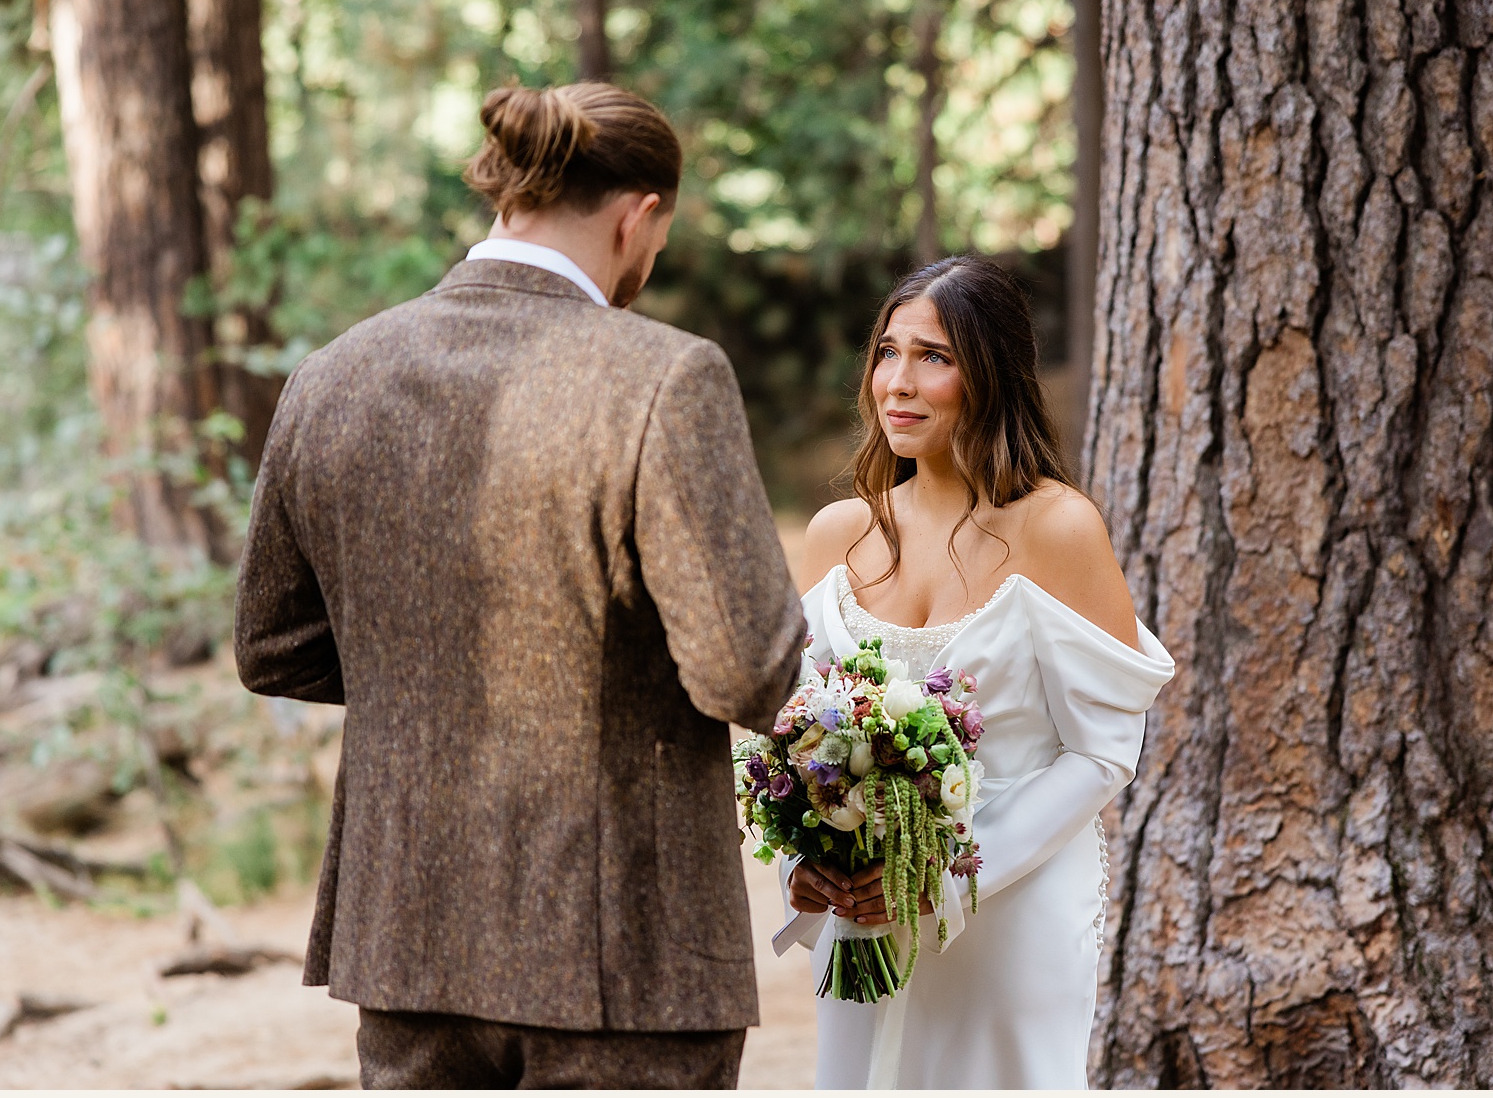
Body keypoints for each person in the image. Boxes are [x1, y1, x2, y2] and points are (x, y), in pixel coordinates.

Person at [235, 81, 806, 1089]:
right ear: (639, 217)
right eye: (660, 237)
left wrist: (424, 671)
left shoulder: (330, 375)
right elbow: (745, 669)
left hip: (407, 933)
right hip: (626, 951)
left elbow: (271, 644)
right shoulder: (665, 377)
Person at [778, 256, 1177, 1087]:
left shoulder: (1058, 529)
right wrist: (805, 862)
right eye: (888, 353)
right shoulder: (836, 536)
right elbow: (797, 739)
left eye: (934, 357)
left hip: (1010, 911)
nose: (898, 382)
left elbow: (1103, 751)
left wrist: (946, 878)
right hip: (860, 922)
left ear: (990, 373)